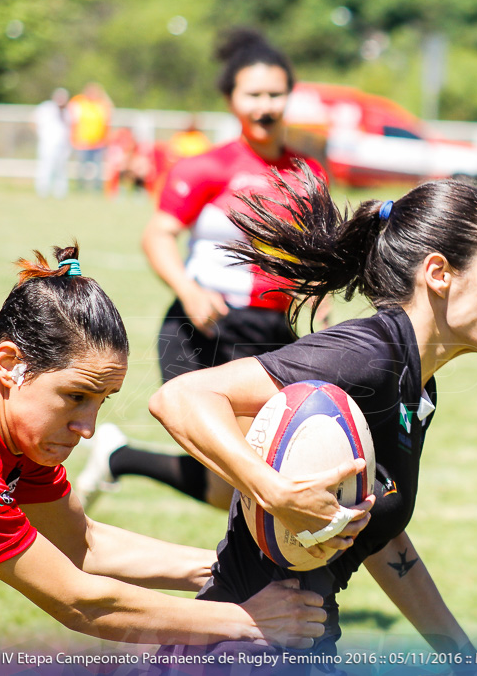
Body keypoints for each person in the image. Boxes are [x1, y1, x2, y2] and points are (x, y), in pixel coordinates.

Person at [147, 165, 477, 660]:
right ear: (438, 274)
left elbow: (382, 538)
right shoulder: (366, 356)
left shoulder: (416, 381)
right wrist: (275, 492)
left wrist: (462, 655)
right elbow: (179, 398)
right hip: (239, 653)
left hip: (302, 650)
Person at [0, 243, 366, 646]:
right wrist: (247, 620)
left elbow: (82, 544)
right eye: (75, 396)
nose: (86, 428)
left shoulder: (19, 437)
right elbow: (79, 602)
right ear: (8, 365)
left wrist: (231, 568)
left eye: (101, 400)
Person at [76, 28, 329, 511]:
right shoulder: (204, 168)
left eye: (275, 94)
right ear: (232, 100)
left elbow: (314, 257)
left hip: (274, 335)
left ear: (289, 97)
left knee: (234, 486)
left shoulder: (309, 173)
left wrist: (321, 301)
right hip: (200, 330)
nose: (265, 105)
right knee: (240, 483)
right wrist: (188, 289)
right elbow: (157, 236)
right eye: (253, 94)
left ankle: (117, 457)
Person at [68, 83, 114, 192]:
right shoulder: (80, 103)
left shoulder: (100, 105)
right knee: (81, 167)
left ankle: (96, 189)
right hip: (82, 142)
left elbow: (110, 108)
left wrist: (103, 95)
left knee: (98, 168)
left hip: (97, 143)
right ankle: (80, 188)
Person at [33, 87, 72, 199]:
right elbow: (33, 120)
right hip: (48, 144)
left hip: (62, 145)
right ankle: (42, 191)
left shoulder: (67, 112)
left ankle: (60, 192)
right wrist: (41, 135)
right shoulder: (46, 108)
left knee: (61, 168)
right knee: (46, 166)